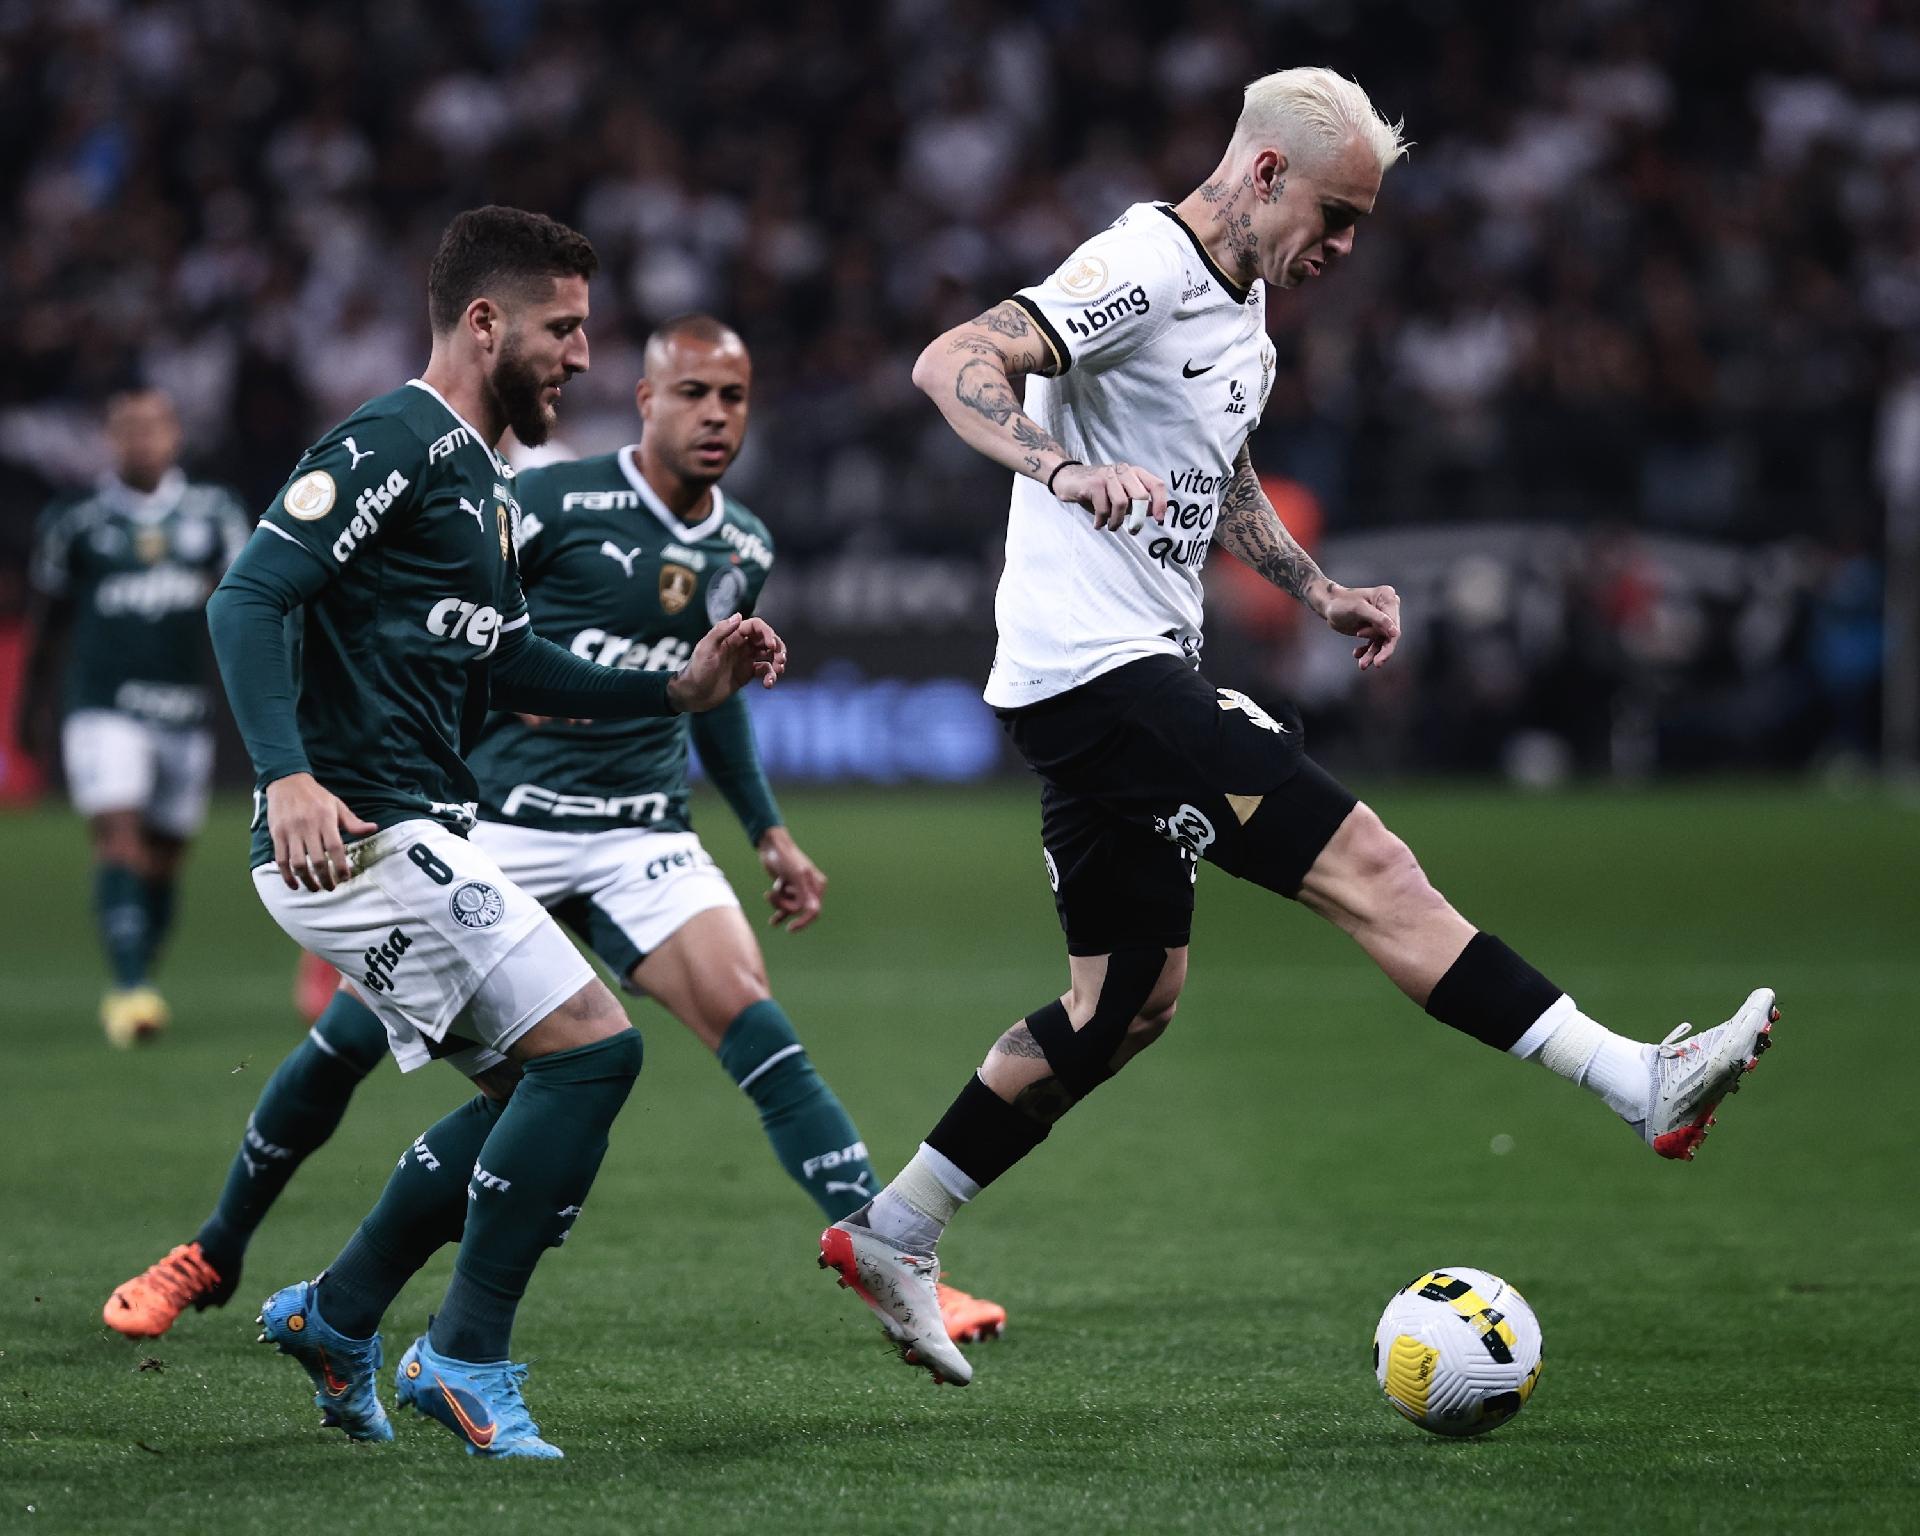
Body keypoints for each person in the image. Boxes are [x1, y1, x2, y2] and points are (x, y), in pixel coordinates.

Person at [818, 67, 1778, 1388]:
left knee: (1125, 1006)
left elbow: (1223, 468)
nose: (1340, 248)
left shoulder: (1245, 310)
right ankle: (1635, 1082)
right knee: (1371, 869)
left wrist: (1313, 587)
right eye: (1335, 215)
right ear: (1265, 173)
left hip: (1112, 677)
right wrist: (1057, 465)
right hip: (1099, 676)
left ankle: (896, 1230)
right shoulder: (1140, 264)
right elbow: (955, 359)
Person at [102, 314, 1004, 1351]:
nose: (715, 415)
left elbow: (714, 700)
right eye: (695, 393)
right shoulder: (540, 498)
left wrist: (767, 831)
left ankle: (888, 1266)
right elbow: (466, 640)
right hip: (502, 822)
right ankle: (214, 1250)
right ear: (647, 401)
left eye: (735, 397)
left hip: (637, 833)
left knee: (754, 1020)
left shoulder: (743, 544)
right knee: (347, 1039)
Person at [205, 205, 785, 1459]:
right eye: (563, 329)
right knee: (596, 1057)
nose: (582, 358)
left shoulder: (484, 479)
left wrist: (674, 691)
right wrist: (287, 776)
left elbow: (512, 657)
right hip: (351, 832)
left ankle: (341, 1314)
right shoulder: (395, 440)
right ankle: (462, 1357)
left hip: (427, 830)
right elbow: (250, 593)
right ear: (485, 321)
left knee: (538, 1093)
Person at [16, 390, 250, 1045]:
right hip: (102, 706)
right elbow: (48, 619)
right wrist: (28, 706)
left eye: (154, 428)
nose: (142, 441)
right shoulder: (77, 521)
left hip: (183, 708)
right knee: (118, 837)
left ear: (176, 435)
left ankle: (138, 967)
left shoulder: (215, 514)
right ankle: (128, 989)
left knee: (166, 857)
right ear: (108, 439)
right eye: (128, 430)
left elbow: (250, 601)